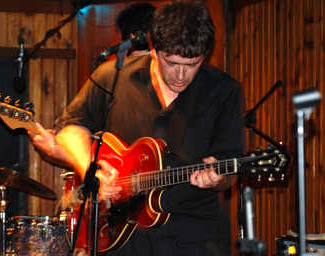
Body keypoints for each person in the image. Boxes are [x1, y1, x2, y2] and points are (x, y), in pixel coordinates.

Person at [29, 1, 245, 256]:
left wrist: (218, 180)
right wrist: (90, 168)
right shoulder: (112, 77)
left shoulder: (225, 91)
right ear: (153, 49)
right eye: (171, 62)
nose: (180, 75)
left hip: (196, 239)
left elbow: (231, 166)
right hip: (123, 237)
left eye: (192, 64)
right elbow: (72, 128)